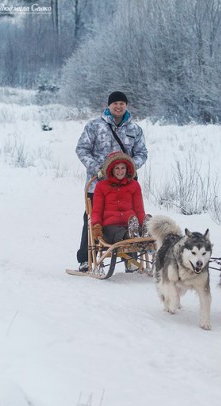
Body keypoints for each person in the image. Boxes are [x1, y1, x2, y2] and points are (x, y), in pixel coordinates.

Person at [75, 91, 148, 272]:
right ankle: (86, 259)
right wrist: (98, 170)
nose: (118, 106)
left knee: (128, 216)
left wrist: (131, 167)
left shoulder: (134, 129)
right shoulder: (95, 126)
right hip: (98, 183)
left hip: (126, 183)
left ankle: (130, 258)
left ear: (126, 105)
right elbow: (82, 149)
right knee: (93, 218)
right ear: (108, 105)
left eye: (122, 103)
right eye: (115, 103)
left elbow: (142, 153)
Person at [90, 152, 146, 244]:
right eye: (117, 168)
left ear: (127, 169)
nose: (120, 171)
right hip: (110, 226)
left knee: (137, 229)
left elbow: (139, 210)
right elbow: (97, 210)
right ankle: (129, 236)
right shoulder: (101, 186)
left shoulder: (134, 185)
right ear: (111, 169)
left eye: (123, 168)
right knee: (115, 232)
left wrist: (143, 223)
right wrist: (96, 226)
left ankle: (143, 233)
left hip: (130, 223)